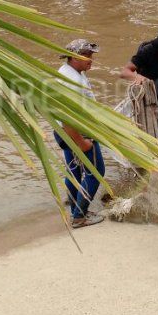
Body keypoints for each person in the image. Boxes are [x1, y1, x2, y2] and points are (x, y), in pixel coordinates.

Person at [56, 39, 106, 229]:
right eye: (87, 55)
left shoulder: (70, 72)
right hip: (76, 133)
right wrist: (81, 142)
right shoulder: (72, 81)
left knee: (74, 172)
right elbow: (68, 117)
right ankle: (79, 216)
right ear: (74, 57)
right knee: (95, 172)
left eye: (91, 55)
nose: (91, 59)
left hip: (64, 132)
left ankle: (76, 209)